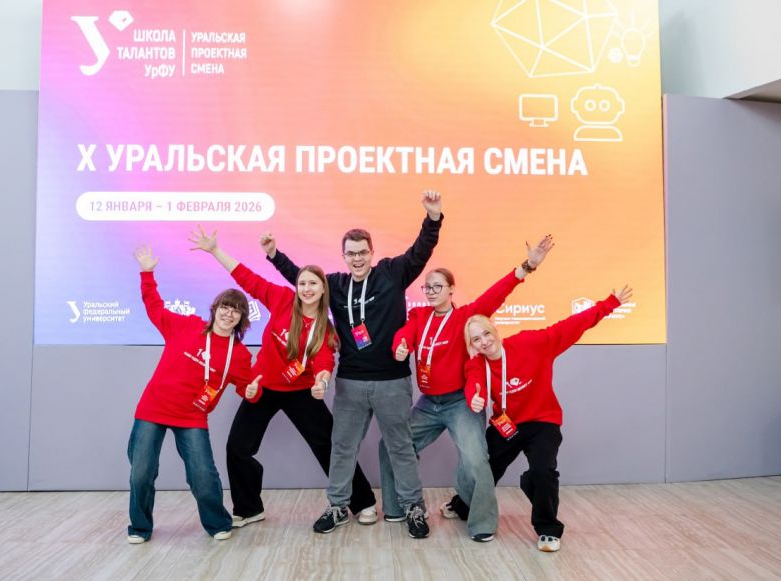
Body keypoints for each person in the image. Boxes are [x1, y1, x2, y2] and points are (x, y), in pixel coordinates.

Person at [263, 191, 443, 538]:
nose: (357, 258)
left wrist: (433, 218)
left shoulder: (392, 272)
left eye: (363, 252)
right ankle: (337, 506)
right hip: (350, 382)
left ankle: (413, 508)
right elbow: (301, 278)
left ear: (372, 253)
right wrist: (274, 255)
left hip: (391, 381)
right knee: (342, 448)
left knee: (401, 447)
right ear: (343, 256)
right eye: (351, 253)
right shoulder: (335, 284)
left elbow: (421, 250)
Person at [189, 227, 378, 529]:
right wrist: (215, 251)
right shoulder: (281, 299)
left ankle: (363, 501)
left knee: (329, 446)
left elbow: (324, 360)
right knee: (238, 447)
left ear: (323, 289)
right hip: (264, 386)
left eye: (313, 283)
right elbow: (248, 279)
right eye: (302, 283)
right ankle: (249, 509)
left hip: (301, 391)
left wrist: (322, 381)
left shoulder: (325, 327)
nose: (306, 288)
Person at [379, 235, 554, 542]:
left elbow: (496, 295)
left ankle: (482, 522)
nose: (431, 292)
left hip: (460, 402)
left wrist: (527, 267)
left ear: (451, 290)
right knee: (390, 444)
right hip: (428, 403)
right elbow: (405, 333)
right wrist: (401, 345)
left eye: (437, 286)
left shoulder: (465, 318)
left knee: (475, 459)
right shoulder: (419, 315)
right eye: (427, 287)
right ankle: (397, 507)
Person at [450, 285, 633, 552]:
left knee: (543, 471)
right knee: (482, 464)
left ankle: (548, 529)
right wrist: (474, 397)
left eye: (486, 334)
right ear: (472, 346)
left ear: (495, 330)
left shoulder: (530, 343)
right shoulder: (477, 363)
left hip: (542, 421)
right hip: (507, 424)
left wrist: (609, 304)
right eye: (476, 340)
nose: (484, 342)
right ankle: (463, 504)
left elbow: (571, 326)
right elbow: (474, 383)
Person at [127, 245, 259, 544]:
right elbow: (155, 307)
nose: (228, 313)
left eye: (235, 310)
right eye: (225, 306)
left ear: (241, 319)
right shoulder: (186, 326)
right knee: (141, 473)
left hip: (191, 417)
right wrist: (147, 273)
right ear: (215, 309)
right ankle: (140, 527)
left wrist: (252, 390)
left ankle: (218, 523)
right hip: (153, 409)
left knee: (202, 475)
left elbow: (247, 389)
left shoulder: (239, 355)